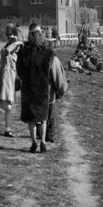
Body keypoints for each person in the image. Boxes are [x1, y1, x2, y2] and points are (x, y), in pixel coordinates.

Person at [17, 23, 67, 153]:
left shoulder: (22, 53)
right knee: (43, 118)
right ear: (41, 37)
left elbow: (20, 73)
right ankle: (43, 142)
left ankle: (34, 142)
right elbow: (53, 71)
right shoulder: (48, 53)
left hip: (29, 90)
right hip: (43, 91)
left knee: (32, 120)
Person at [0, 24, 23, 137]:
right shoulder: (13, 44)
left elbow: (9, 51)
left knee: (9, 105)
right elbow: (6, 51)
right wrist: (17, 42)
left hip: (10, 75)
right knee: (8, 105)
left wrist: (17, 42)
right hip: (5, 74)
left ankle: (7, 129)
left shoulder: (16, 44)